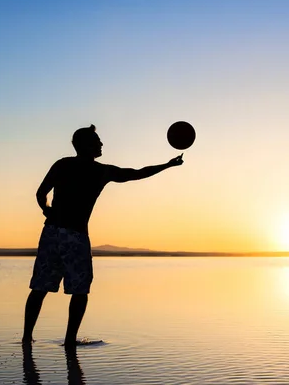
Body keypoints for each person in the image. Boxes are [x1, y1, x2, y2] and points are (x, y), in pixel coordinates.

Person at [22, 124, 184, 347]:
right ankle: (70, 341)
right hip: (76, 236)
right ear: (85, 145)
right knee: (79, 291)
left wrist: (46, 209)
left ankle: (26, 338)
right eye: (97, 141)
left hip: (50, 233)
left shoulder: (62, 164)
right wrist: (167, 165)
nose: (101, 144)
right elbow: (136, 174)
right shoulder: (101, 171)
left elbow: (41, 193)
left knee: (40, 287)